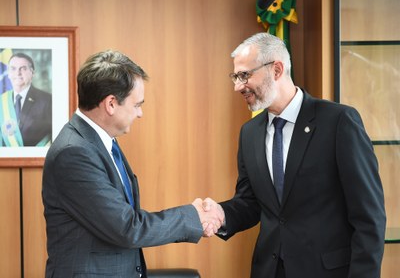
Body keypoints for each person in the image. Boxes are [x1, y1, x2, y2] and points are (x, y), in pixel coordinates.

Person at [203, 32, 386, 278]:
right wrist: (220, 214)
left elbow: (369, 217)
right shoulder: (249, 134)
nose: (238, 86)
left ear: (277, 70)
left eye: (244, 75)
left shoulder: (338, 122)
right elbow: (250, 203)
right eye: (235, 77)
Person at [42, 50, 222, 278]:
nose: (140, 114)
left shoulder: (99, 141)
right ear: (111, 104)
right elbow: (127, 227)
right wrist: (194, 216)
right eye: (137, 105)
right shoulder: (74, 152)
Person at [0, 52, 52, 146]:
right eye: (13, 68)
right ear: (8, 73)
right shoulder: (1, 101)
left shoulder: (47, 101)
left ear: (32, 73)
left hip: (36, 158)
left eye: (23, 68)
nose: (18, 73)